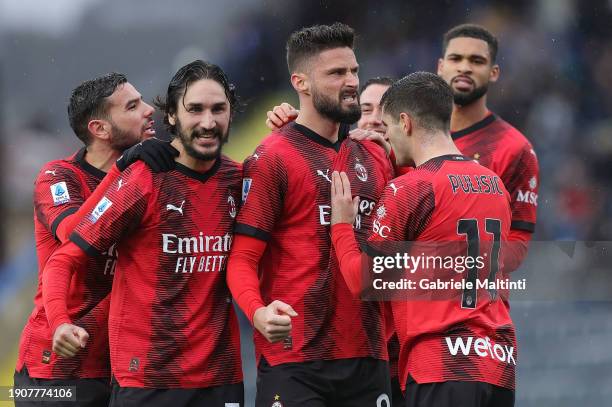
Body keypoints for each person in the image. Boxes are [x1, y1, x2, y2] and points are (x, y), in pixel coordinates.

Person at [42, 60, 244, 407]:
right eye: (195, 109)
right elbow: (66, 249)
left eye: (218, 109)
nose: (208, 121)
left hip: (219, 377)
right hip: (68, 369)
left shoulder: (240, 180)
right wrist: (60, 322)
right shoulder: (117, 178)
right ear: (173, 118)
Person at [227, 23, 393, 406]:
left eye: (353, 70)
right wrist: (257, 312)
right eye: (336, 73)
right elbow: (242, 260)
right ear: (300, 82)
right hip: (297, 361)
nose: (351, 81)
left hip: (368, 359)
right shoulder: (273, 158)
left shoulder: (373, 156)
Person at [331, 71, 516, 407]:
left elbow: (364, 281)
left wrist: (342, 226)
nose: (386, 138)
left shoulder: (411, 188)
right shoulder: (495, 184)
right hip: (499, 365)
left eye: (387, 128)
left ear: (406, 122)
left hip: (441, 366)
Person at [14, 72, 176, 407]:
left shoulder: (147, 178)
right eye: (132, 106)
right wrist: (121, 171)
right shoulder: (57, 177)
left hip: (122, 364)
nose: (148, 110)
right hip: (54, 365)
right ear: (99, 129)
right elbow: (75, 232)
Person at [437, 24, 539, 269]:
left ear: (493, 72)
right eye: (456, 58)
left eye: (476, 60)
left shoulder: (515, 149)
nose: (464, 67)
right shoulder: (408, 134)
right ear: (441, 67)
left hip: (475, 304)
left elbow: (517, 245)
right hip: (408, 301)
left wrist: (447, 265)